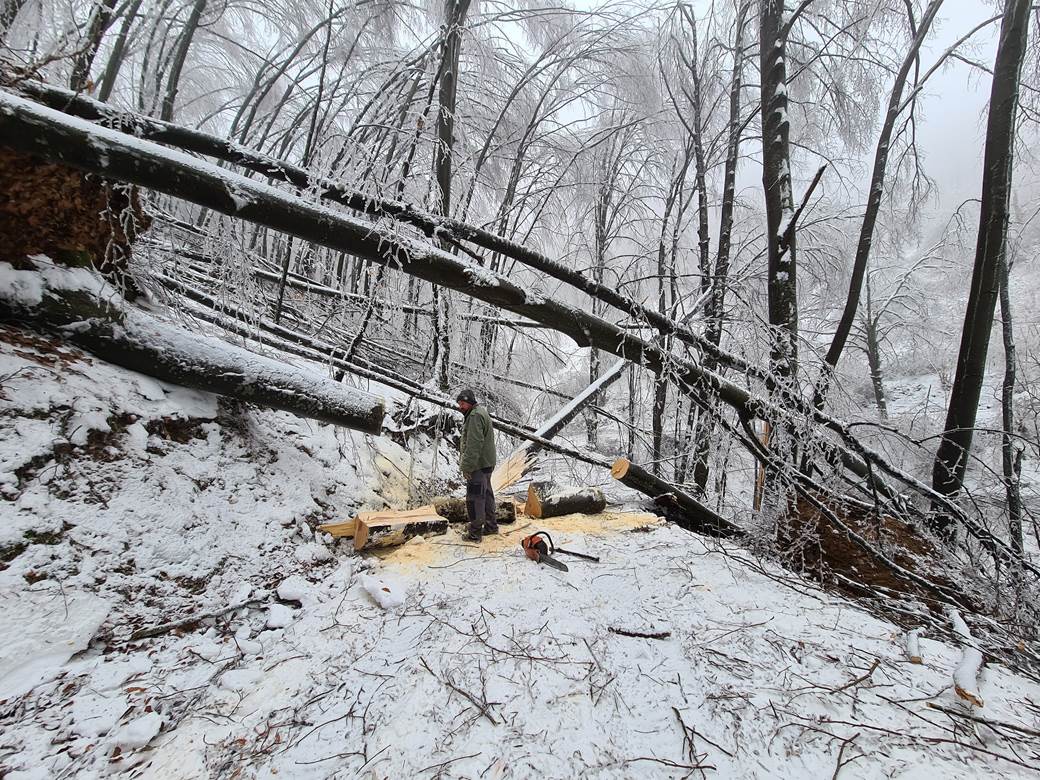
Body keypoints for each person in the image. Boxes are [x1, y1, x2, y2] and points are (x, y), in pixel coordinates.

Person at [456, 388, 497, 542]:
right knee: (486, 495)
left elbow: (473, 445)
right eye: (459, 403)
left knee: (475, 498)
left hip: (478, 465)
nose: (460, 406)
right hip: (487, 462)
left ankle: (475, 533)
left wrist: (467, 467)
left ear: (470, 402)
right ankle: (491, 526)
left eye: (463, 403)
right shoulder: (480, 412)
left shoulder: (474, 416)